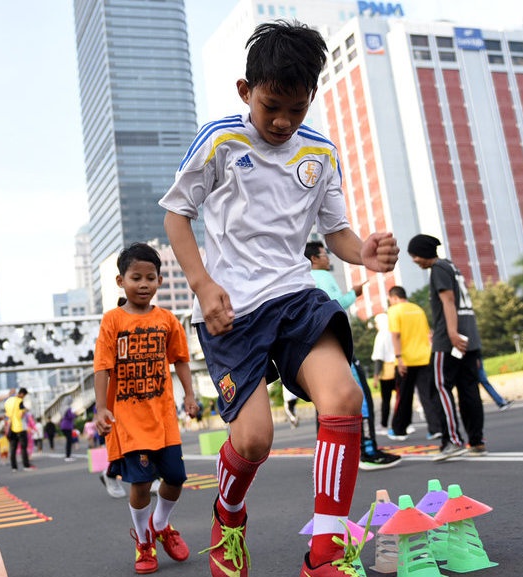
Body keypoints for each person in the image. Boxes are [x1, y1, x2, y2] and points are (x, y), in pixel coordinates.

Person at [159, 19, 399, 577]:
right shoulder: (220, 139)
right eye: (272, 107)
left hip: (294, 295)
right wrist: (202, 285)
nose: (284, 120)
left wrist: (364, 251)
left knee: (343, 397)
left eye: (296, 107)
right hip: (230, 311)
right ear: (246, 92)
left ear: (312, 97)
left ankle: (326, 552)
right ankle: (228, 514)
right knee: (254, 441)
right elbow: (176, 216)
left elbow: (336, 234)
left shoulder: (319, 152)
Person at [93, 243, 200, 574]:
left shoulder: (167, 319)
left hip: (164, 417)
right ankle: (144, 542)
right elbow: (102, 367)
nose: (143, 284)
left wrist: (190, 396)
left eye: (150, 278)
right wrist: (100, 408)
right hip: (129, 420)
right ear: (120, 281)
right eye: (135, 277)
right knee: (140, 484)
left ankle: (160, 524)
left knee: (176, 478)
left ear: (160, 281)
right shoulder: (112, 320)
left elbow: (181, 359)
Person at [306, 241, 400, 471]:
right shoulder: (320, 277)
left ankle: (329, 459)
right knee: (362, 396)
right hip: (336, 344)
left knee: (326, 402)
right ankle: (367, 451)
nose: (327, 258)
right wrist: (354, 293)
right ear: (314, 259)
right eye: (323, 254)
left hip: (318, 346)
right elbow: (335, 304)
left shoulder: (304, 279)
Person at [407, 234, 487, 460]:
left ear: (422, 253)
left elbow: (448, 300)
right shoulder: (452, 266)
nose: (414, 260)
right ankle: (477, 441)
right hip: (469, 338)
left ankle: (452, 441)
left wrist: (451, 333)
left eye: (414, 255)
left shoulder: (438, 269)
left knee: (440, 387)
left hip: (448, 339)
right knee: (468, 389)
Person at [385, 286, 437, 443]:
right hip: (424, 357)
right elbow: (429, 335)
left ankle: (399, 430)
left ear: (394, 298)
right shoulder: (418, 309)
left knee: (404, 397)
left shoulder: (394, 311)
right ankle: (436, 429)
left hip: (406, 360)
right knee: (428, 395)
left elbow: (396, 336)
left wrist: (399, 358)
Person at [369, 312, 396, 434]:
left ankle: (384, 425)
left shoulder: (381, 335)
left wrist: (375, 377)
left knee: (386, 400)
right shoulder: (393, 331)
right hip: (398, 368)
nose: (376, 326)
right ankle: (404, 424)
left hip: (387, 371)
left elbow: (379, 358)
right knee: (401, 398)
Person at [3, 387, 34, 471]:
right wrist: (24, 411)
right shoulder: (19, 401)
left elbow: (6, 414)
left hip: (10, 427)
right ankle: (26, 465)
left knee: (13, 448)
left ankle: (14, 467)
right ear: (22, 394)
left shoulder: (8, 401)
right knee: (24, 447)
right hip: (20, 427)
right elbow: (21, 415)